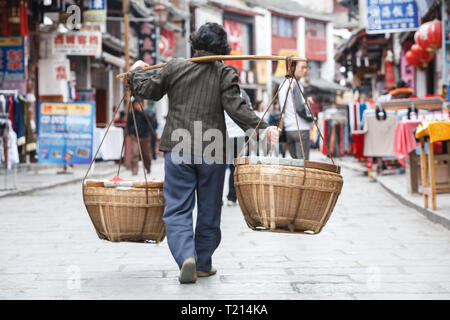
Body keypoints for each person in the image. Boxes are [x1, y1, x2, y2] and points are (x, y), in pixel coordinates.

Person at [127, 22, 280, 284]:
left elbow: (147, 90)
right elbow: (237, 108)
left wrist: (136, 72)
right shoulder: (224, 73)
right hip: (212, 151)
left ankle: (187, 257)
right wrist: (263, 127)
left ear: (195, 44)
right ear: (221, 50)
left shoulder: (175, 66)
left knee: (177, 208)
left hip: (178, 147)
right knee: (209, 209)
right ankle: (204, 262)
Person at [223, 65, 253, 207]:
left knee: (221, 167)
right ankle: (231, 197)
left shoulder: (218, 90)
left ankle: (225, 198)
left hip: (226, 135)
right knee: (234, 167)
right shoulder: (242, 93)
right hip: (230, 135)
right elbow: (249, 112)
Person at [278, 60, 314, 160]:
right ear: (293, 68)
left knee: (295, 163)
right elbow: (300, 108)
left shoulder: (283, 84)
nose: (305, 70)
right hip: (300, 128)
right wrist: (311, 118)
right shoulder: (295, 84)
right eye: (302, 67)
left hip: (289, 129)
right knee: (303, 164)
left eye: (306, 67)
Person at [126, 97, 153, 175]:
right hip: (135, 136)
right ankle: (134, 170)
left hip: (145, 136)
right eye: (136, 104)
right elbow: (128, 124)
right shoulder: (132, 114)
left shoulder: (147, 112)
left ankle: (148, 167)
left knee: (146, 154)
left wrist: (142, 112)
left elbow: (151, 122)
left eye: (139, 103)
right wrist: (130, 132)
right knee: (134, 153)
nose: (137, 105)